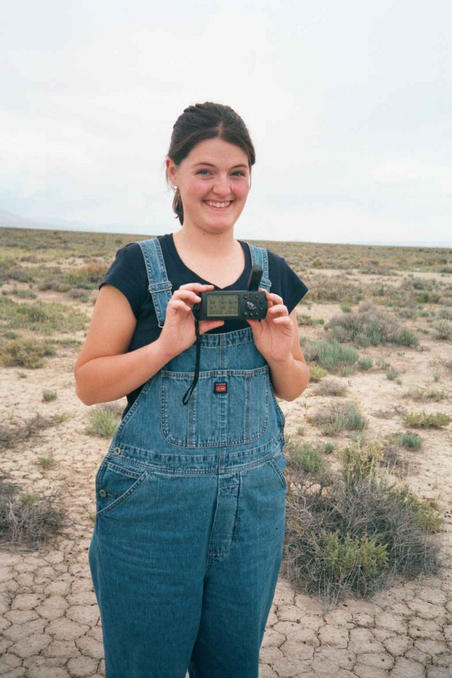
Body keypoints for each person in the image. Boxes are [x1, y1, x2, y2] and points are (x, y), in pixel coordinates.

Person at [74, 101, 309, 678]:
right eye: (204, 170)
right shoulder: (137, 266)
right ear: (173, 172)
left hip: (253, 508)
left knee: (233, 666)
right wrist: (164, 348)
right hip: (152, 512)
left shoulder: (271, 272)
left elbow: (295, 384)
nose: (221, 188)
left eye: (237, 172)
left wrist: (281, 355)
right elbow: (87, 382)